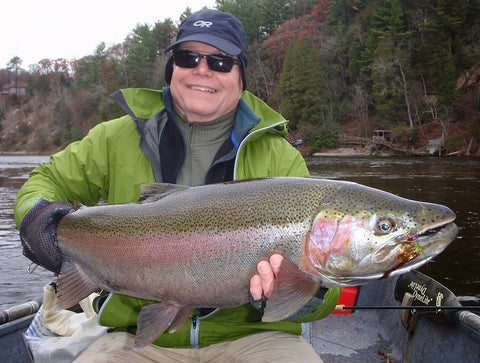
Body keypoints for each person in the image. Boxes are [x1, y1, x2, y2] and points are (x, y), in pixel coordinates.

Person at [15, 9, 341, 362]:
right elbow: (42, 184)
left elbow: (320, 301)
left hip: (254, 337)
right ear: (172, 69)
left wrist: (290, 291)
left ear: (240, 76)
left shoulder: (280, 158)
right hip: (134, 340)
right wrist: (39, 219)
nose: (203, 69)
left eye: (220, 62)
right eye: (188, 57)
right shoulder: (114, 138)